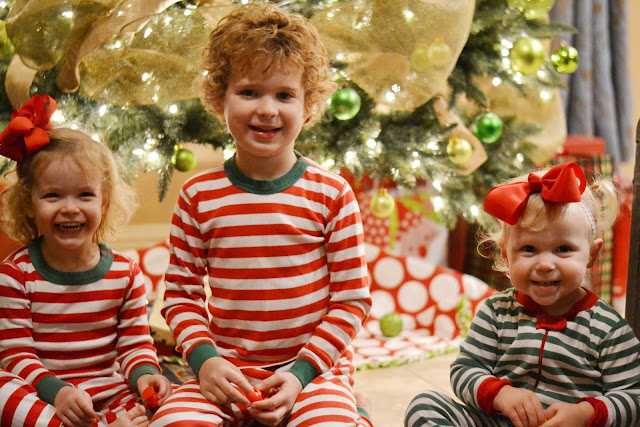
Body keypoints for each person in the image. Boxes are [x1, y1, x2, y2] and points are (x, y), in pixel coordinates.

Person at [149, 3, 373, 426]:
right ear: (219, 98)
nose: (267, 109)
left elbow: (351, 300)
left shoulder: (333, 194)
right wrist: (205, 361)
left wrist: (302, 374)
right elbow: (181, 295)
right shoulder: (198, 195)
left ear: (308, 104)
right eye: (249, 92)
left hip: (312, 372)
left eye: (284, 95)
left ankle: (354, 408)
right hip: (226, 370)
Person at [404, 162, 640, 427]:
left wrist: (585, 414)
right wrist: (501, 395)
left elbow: (633, 398)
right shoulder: (496, 313)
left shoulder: (608, 329)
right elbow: (465, 370)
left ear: (592, 254)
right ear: (506, 254)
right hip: (500, 421)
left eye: (563, 249)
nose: (545, 264)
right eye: (529, 249)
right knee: (425, 405)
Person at [0, 94, 172, 426]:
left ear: (104, 202)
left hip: (107, 392)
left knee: (168, 404)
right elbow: (16, 355)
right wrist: (58, 393)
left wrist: (146, 375)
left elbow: (135, 344)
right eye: (52, 195)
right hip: (43, 394)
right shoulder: (15, 275)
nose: (70, 208)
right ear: (29, 205)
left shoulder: (125, 272)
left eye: (85, 195)